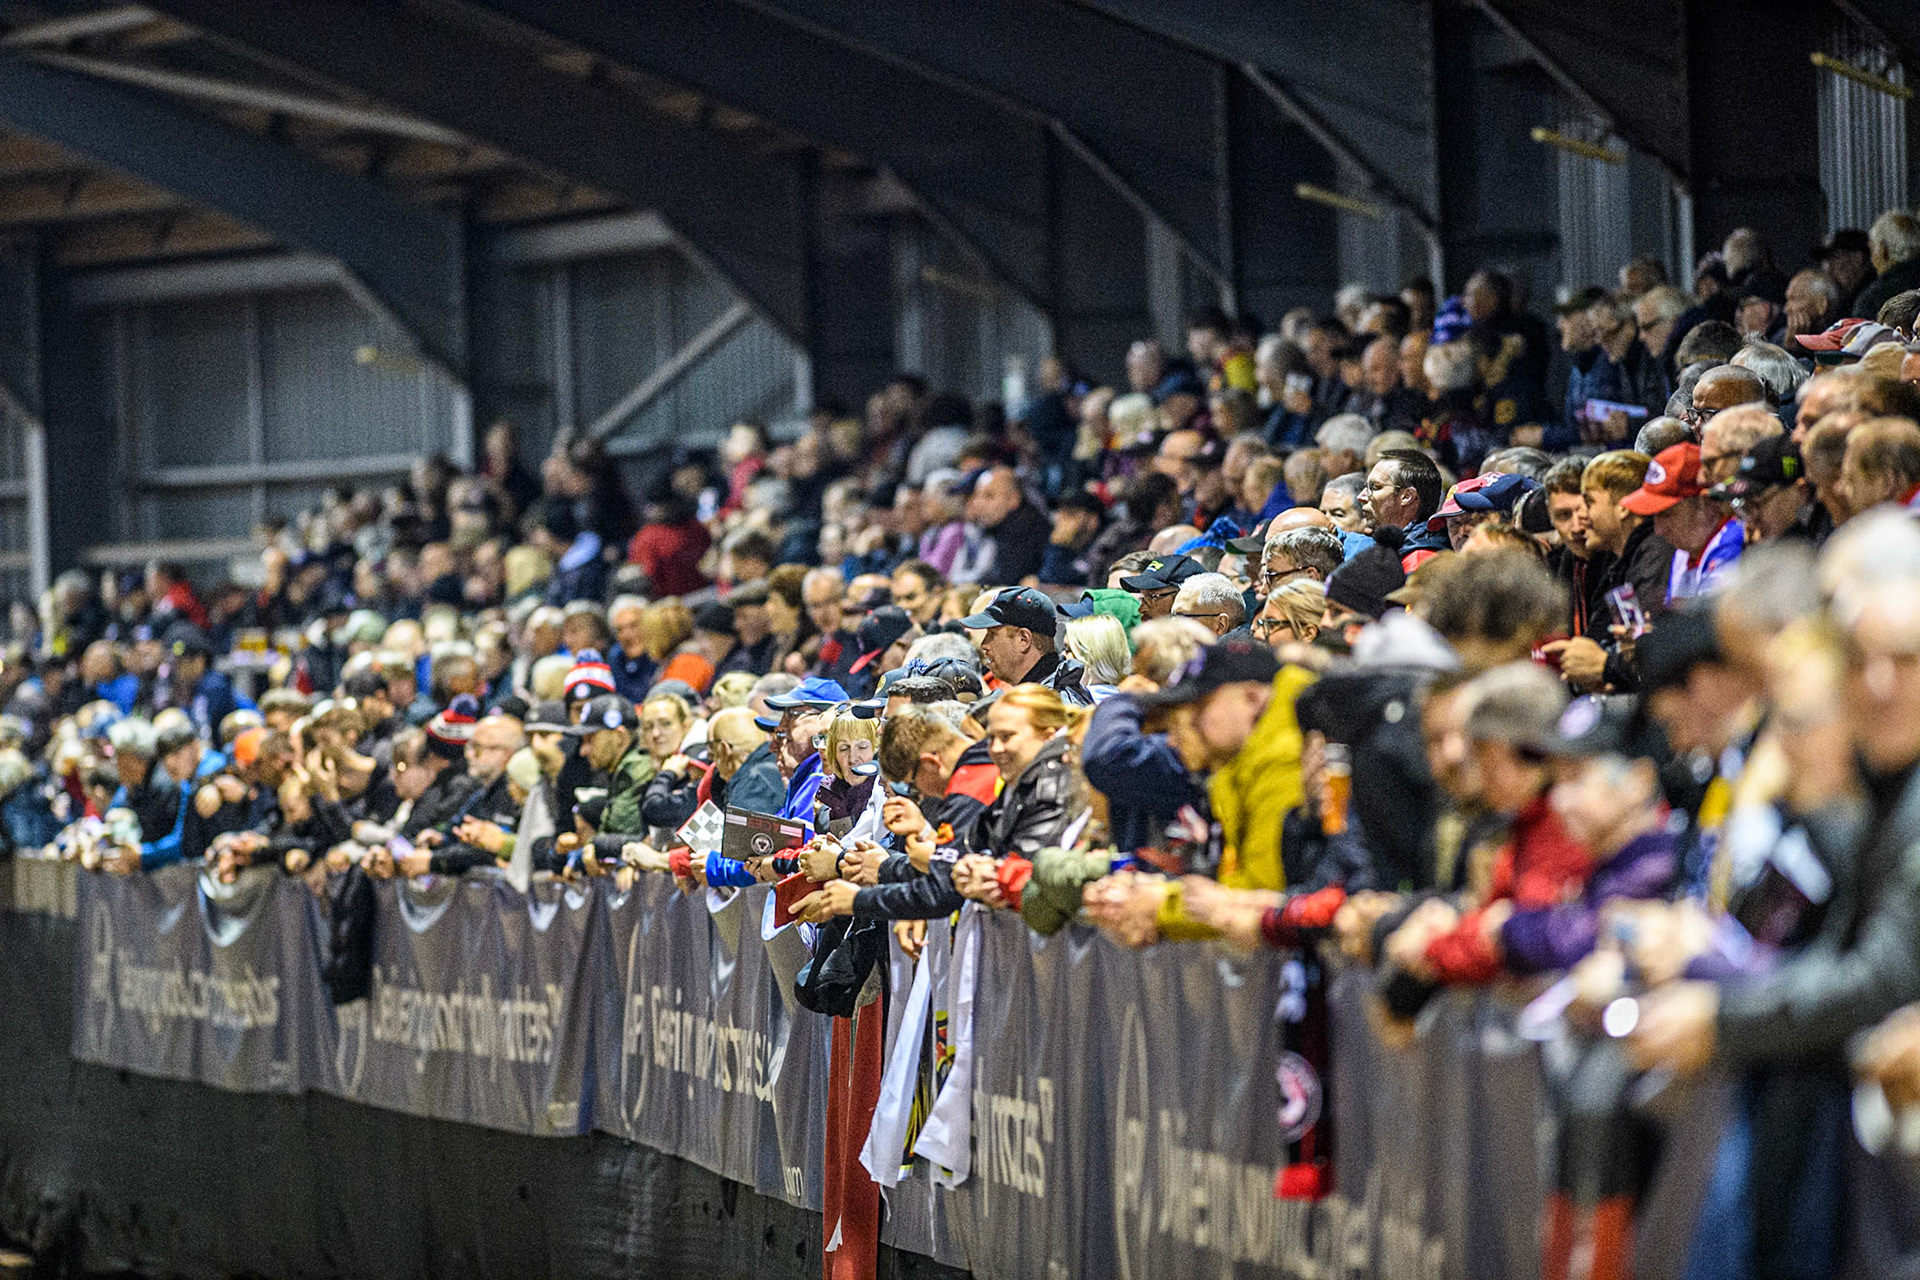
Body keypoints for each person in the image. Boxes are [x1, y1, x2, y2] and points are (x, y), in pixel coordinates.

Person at [956, 587, 1089, 704]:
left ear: (1024, 639)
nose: (984, 645)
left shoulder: (1054, 706)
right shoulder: (1038, 695)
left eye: (992, 634)